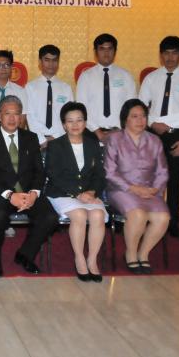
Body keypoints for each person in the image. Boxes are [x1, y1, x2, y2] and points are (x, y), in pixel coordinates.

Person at [0, 96, 57, 277]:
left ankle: (25, 255)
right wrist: (9, 195)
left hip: (28, 192)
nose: (12, 118)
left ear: (21, 117)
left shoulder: (30, 138)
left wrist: (34, 193)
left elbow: (39, 171)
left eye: (16, 114)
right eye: (7, 113)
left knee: (49, 217)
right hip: (0, 193)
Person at [138, 36, 179, 240]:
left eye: (174, 53)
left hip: (178, 136)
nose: (170, 57)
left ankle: (172, 223)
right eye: (166, 53)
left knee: (174, 181)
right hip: (154, 135)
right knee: (149, 179)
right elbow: (140, 108)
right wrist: (152, 123)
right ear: (160, 55)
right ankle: (146, 220)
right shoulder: (151, 78)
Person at [44, 102, 108, 282]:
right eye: (70, 121)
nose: (75, 124)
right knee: (79, 214)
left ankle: (92, 260)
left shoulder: (93, 144)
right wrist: (78, 194)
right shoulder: (55, 145)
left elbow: (100, 174)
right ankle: (79, 258)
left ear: (85, 123)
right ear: (64, 124)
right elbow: (53, 174)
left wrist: (92, 191)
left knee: (97, 215)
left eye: (79, 120)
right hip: (62, 193)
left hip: (89, 193)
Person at [104, 99, 170, 274]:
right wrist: (133, 189)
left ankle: (143, 254)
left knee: (163, 218)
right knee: (138, 215)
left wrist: (154, 189)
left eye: (143, 116)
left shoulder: (155, 140)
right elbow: (110, 172)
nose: (140, 120)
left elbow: (162, 171)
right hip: (121, 190)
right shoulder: (114, 139)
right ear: (125, 119)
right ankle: (131, 254)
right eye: (134, 116)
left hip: (149, 191)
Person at [76, 34, 137, 141]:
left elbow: (132, 107)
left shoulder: (126, 76)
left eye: (110, 48)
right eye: (102, 49)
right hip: (91, 134)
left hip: (120, 134)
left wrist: (118, 130)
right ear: (95, 52)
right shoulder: (86, 77)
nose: (106, 52)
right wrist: (97, 132)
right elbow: (82, 108)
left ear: (115, 51)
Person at [25, 44, 74, 147]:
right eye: (47, 60)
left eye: (54, 60)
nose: (51, 64)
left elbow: (69, 116)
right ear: (40, 62)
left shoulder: (66, 88)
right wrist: (41, 139)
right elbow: (30, 116)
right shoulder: (30, 87)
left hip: (60, 139)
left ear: (58, 62)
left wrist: (55, 137)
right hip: (36, 140)